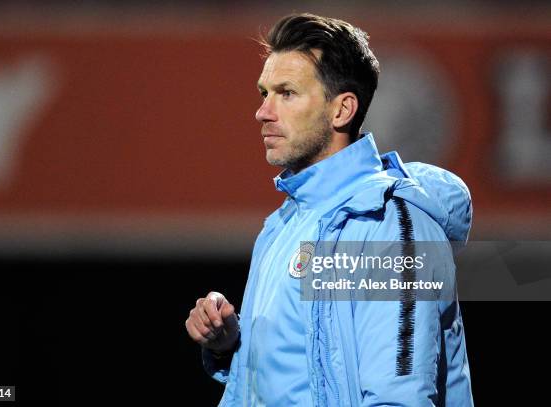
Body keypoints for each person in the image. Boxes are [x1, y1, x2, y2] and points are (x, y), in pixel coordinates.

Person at [185, 13, 474, 406]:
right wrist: (228, 343)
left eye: (286, 93)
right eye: (263, 93)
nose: (263, 112)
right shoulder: (282, 225)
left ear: (342, 110)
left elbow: (397, 398)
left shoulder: (389, 224)